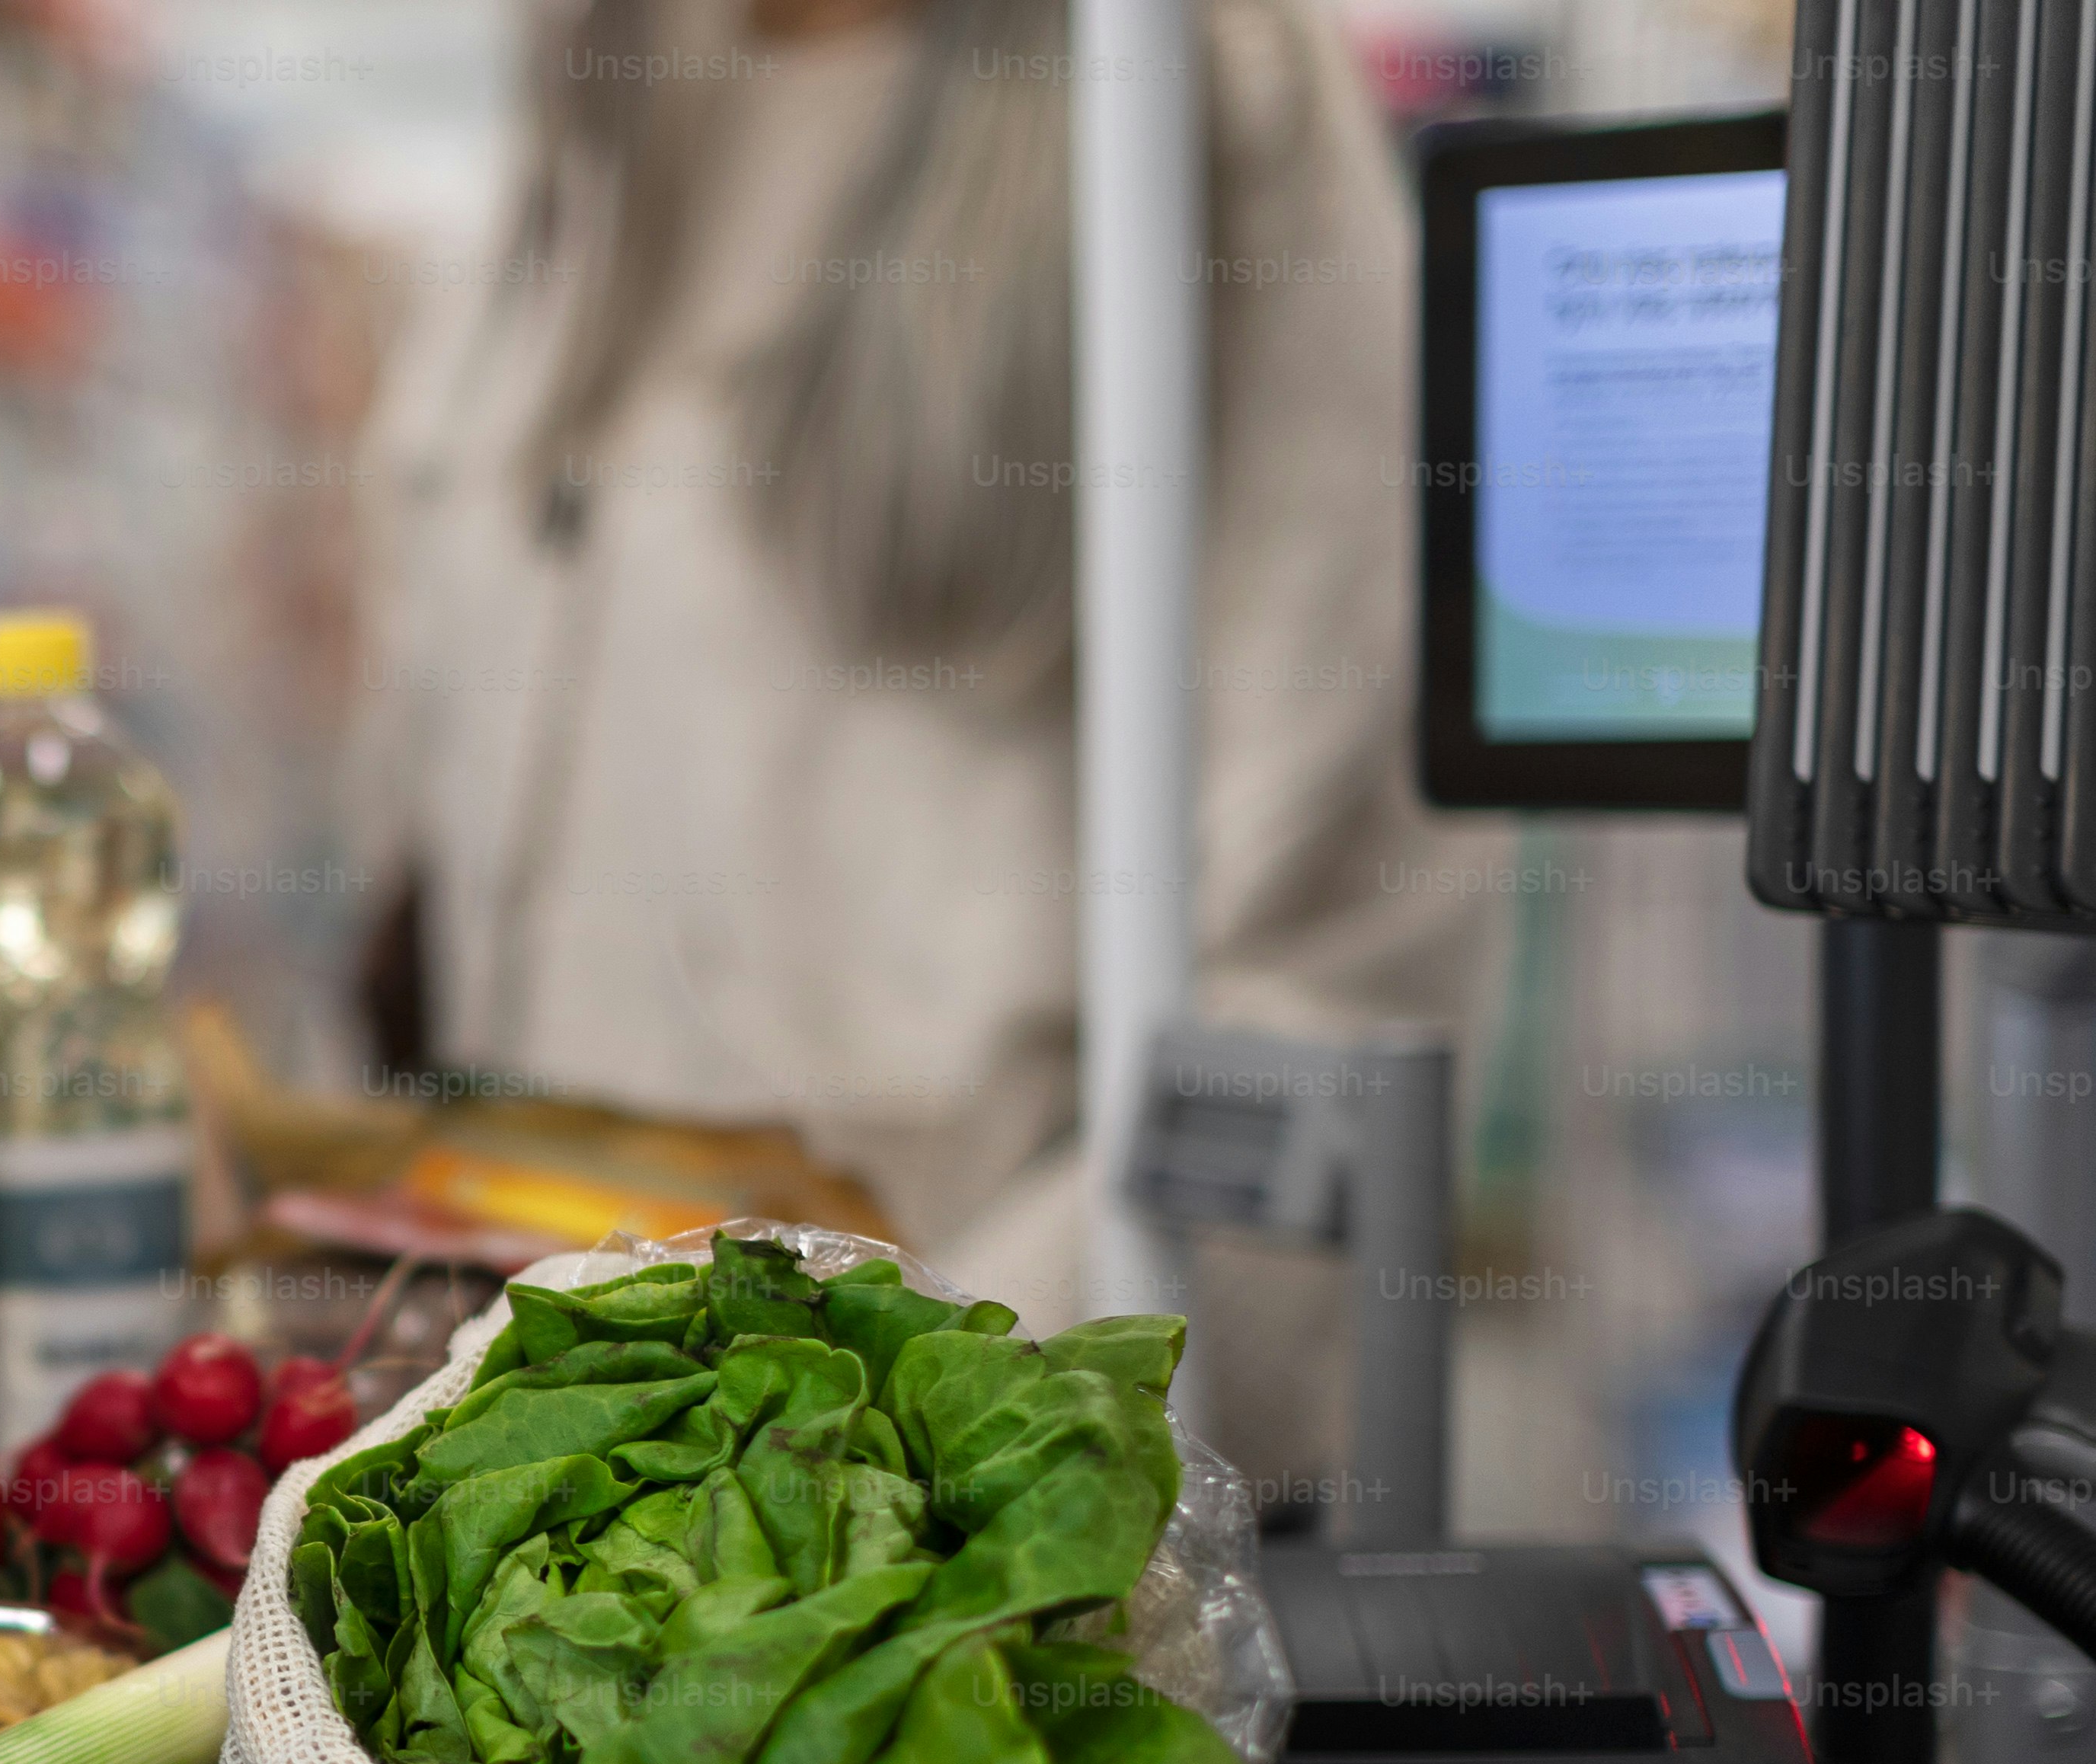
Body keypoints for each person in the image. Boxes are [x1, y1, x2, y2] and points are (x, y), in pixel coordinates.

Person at [352, 0, 1483, 1492]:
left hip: (952, 1525)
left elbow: (1327, 942)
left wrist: (925, 1460)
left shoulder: (1189, 85)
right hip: (564, 1465)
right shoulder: (605, 98)